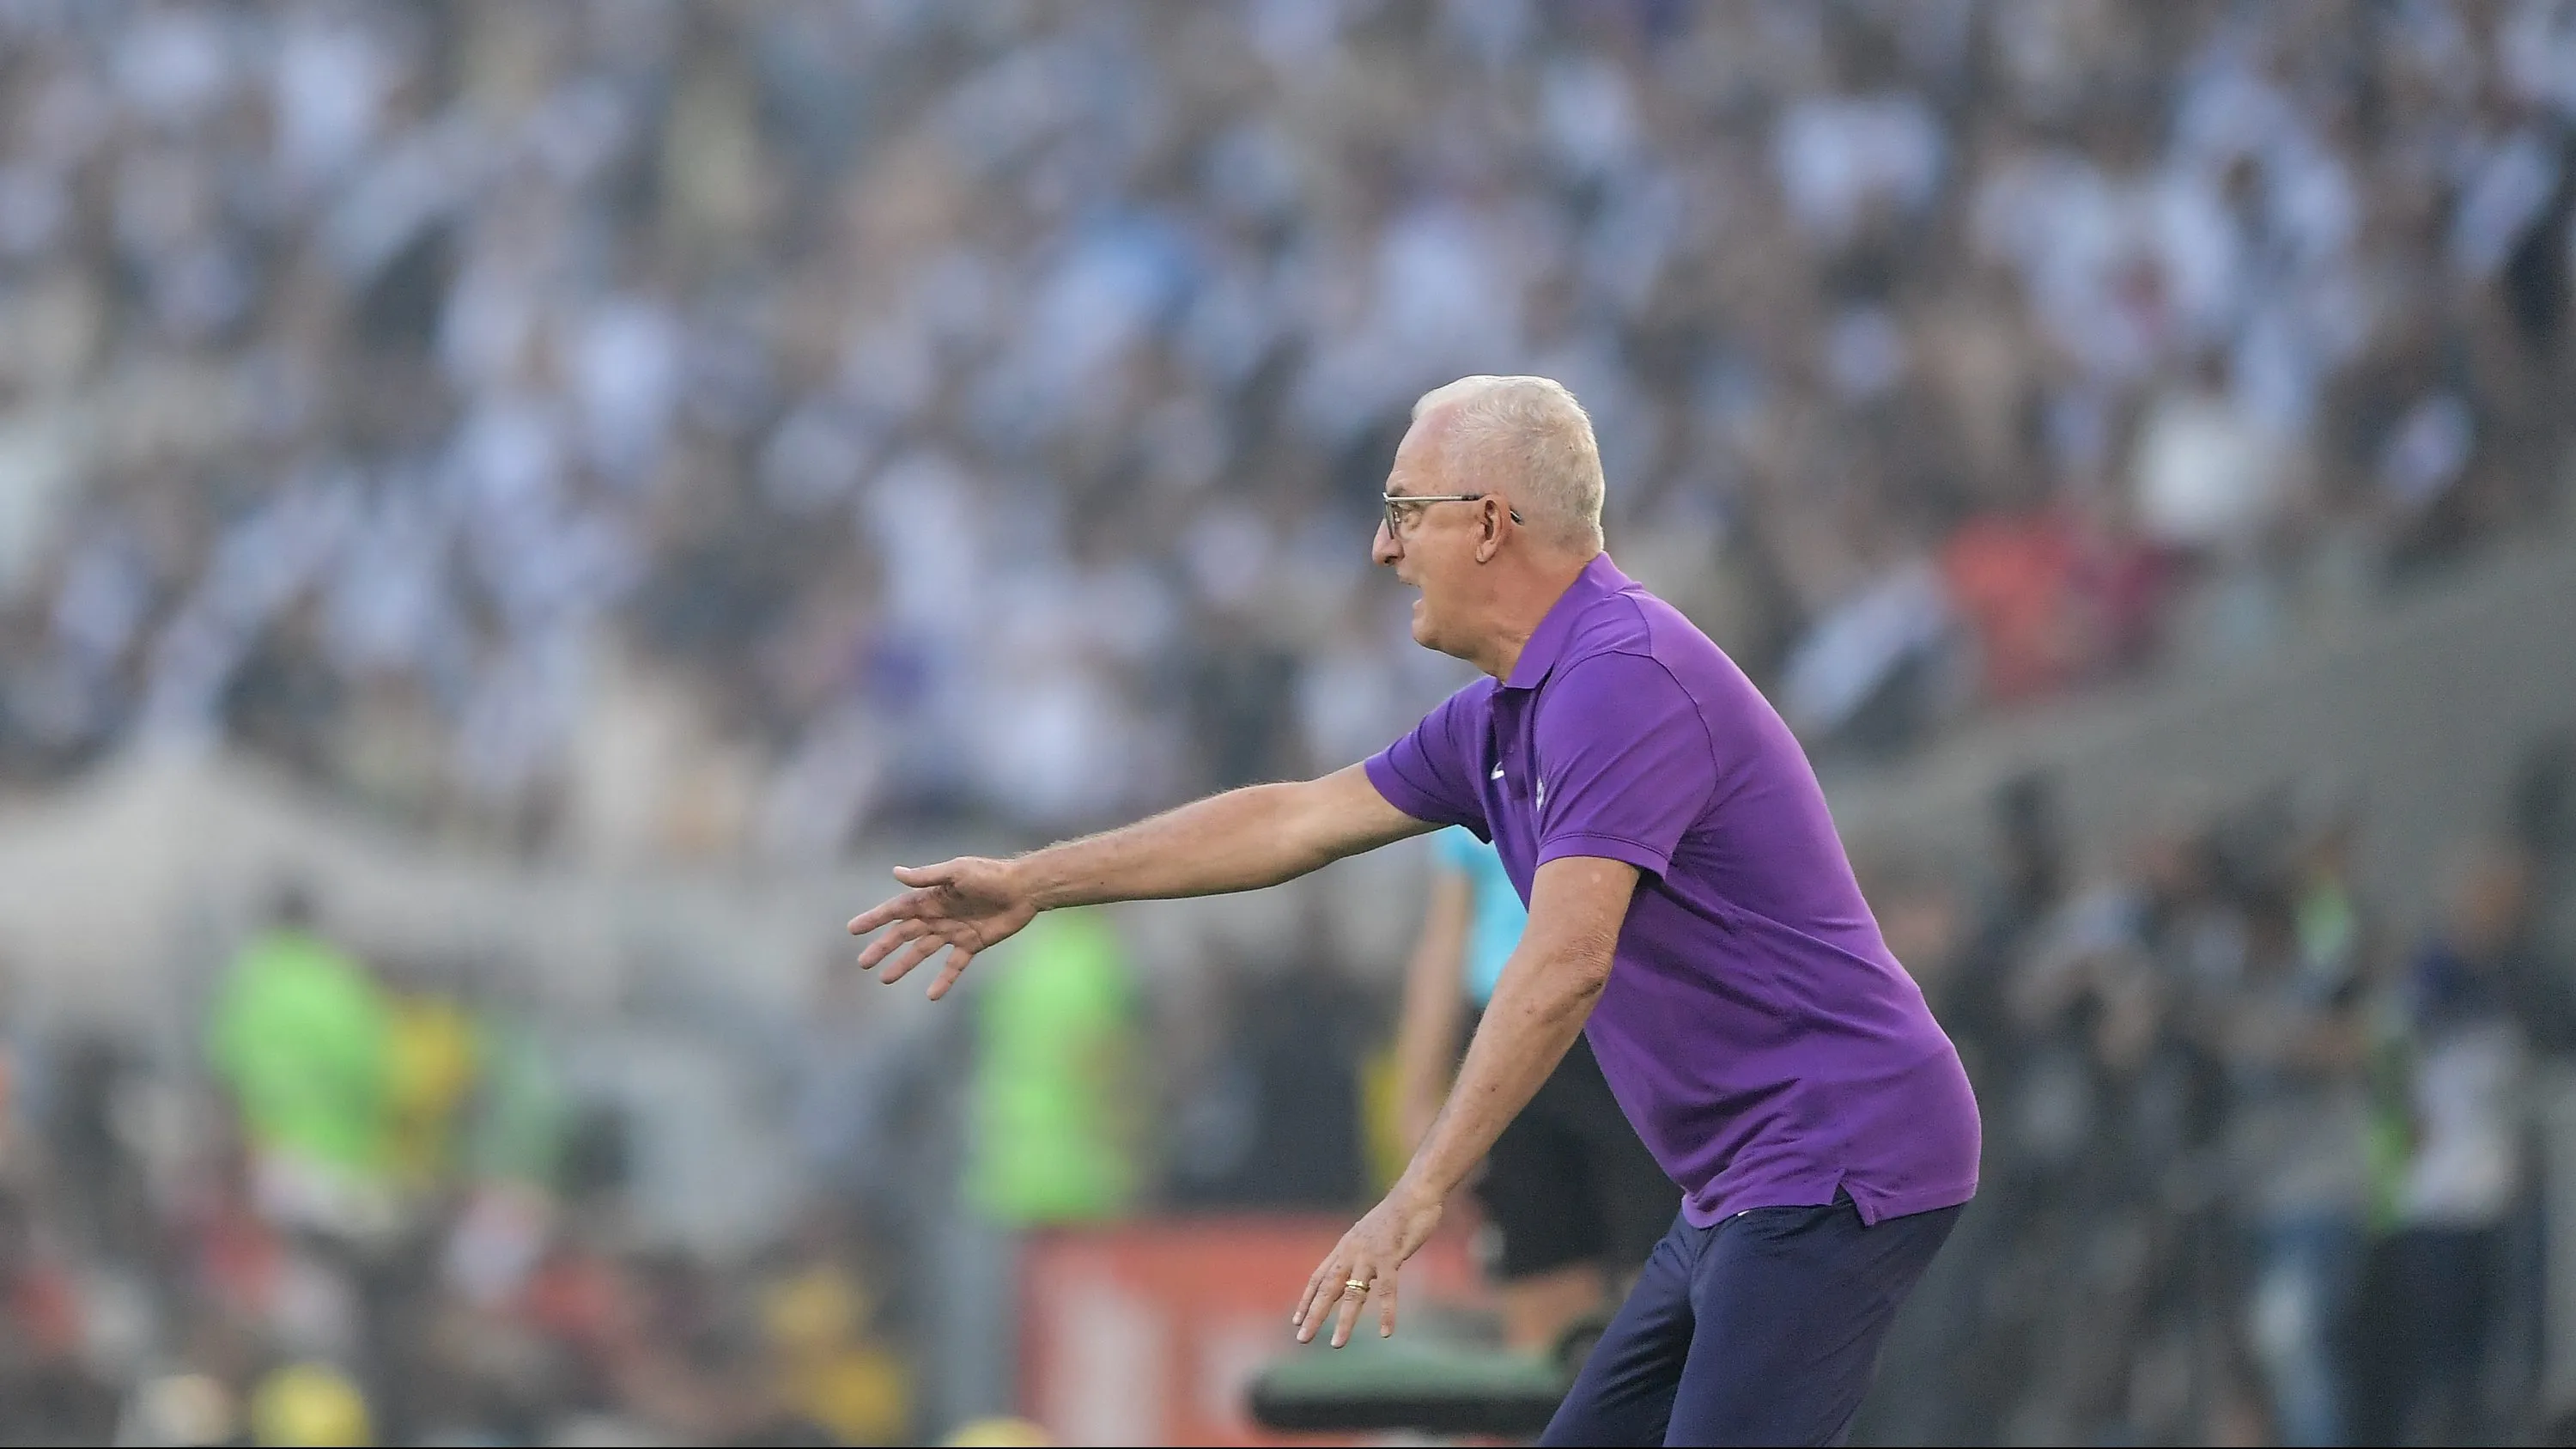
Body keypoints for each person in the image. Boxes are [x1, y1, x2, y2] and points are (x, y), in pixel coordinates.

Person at [847, 376, 1982, 1446]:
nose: (1382, 547)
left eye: (1403, 512)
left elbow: (1565, 963)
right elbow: (1290, 820)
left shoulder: (1619, 678)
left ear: (1488, 523)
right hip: (1743, 1180)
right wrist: (1034, 881)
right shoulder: (1504, 714)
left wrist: (1416, 1192)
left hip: (1837, 1152)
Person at [1391, 825, 1678, 1355]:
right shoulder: (1485, 754)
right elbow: (1447, 938)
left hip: (1637, 1023)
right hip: (1513, 1044)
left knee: (1665, 1293)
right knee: (1541, 1293)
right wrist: (1419, 1105)